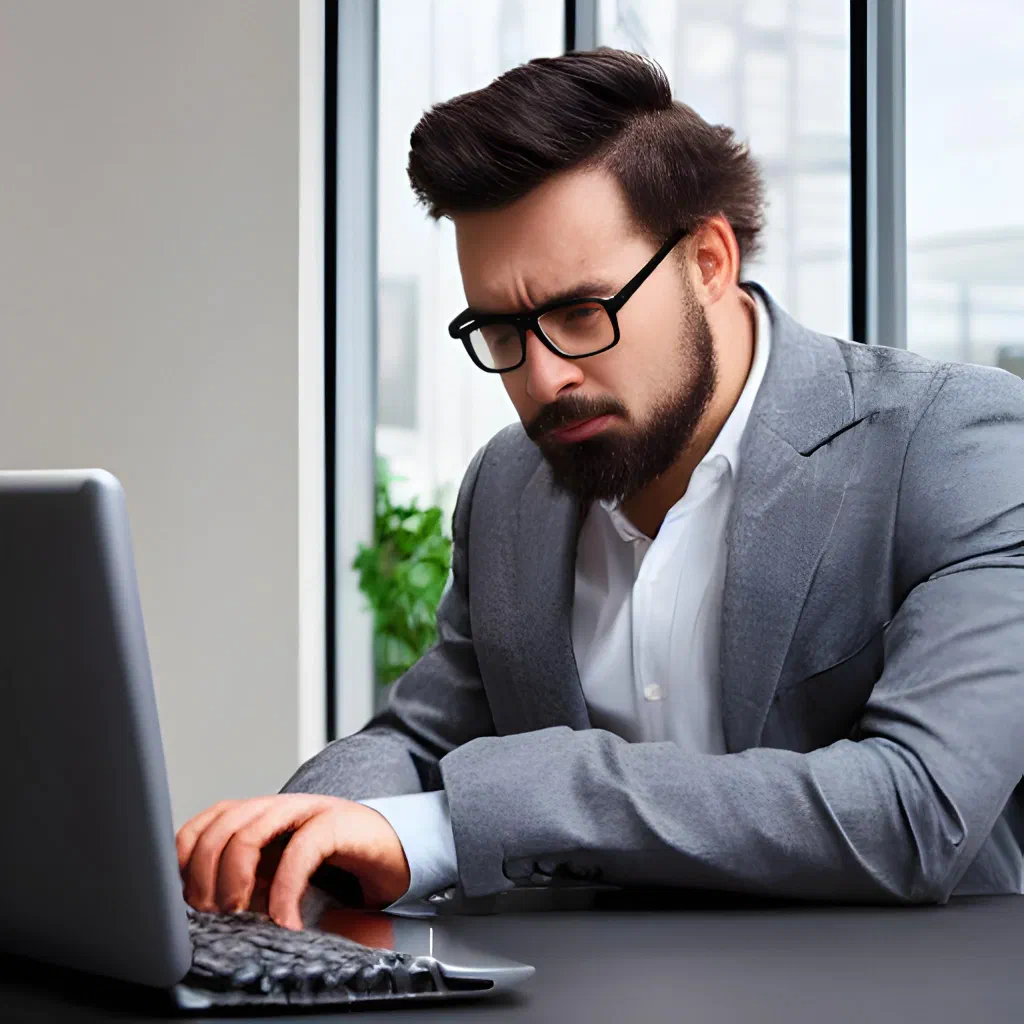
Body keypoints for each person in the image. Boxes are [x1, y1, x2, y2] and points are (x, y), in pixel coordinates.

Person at [177, 49, 1024, 931]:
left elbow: (917, 810)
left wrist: (482, 813)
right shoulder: (510, 486)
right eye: (500, 329)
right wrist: (299, 836)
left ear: (708, 260)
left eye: (583, 313)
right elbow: (423, 741)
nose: (543, 378)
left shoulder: (953, 442)